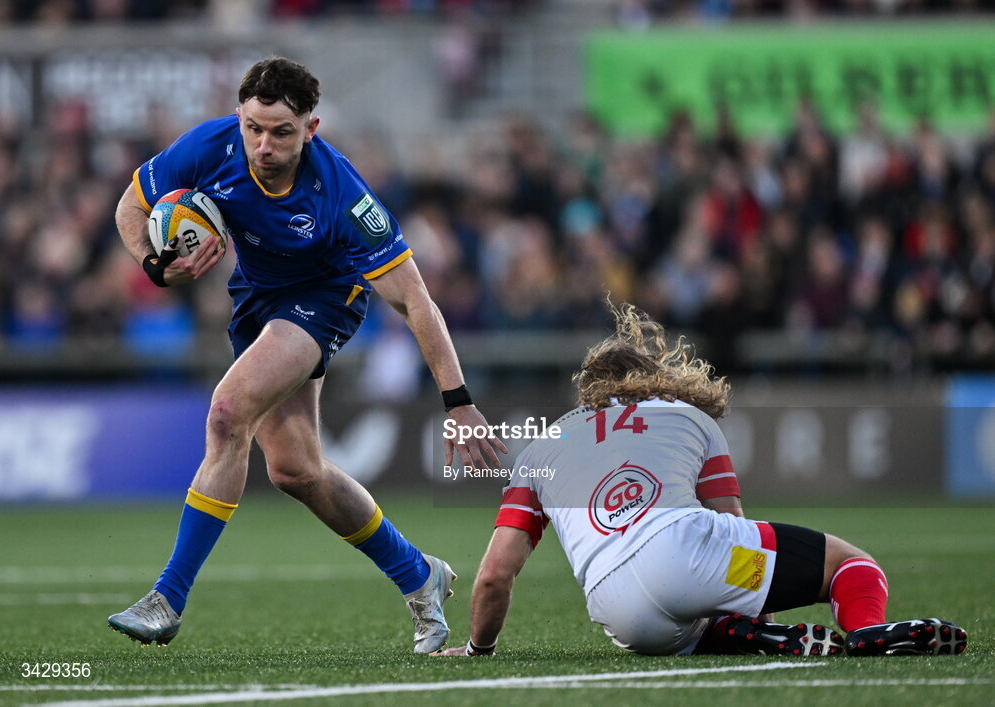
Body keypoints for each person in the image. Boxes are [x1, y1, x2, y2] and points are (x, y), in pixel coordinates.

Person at [107, 57, 506, 652]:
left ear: (311, 128)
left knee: (226, 413)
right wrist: (153, 265)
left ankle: (167, 598)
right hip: (256, 299)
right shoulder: (208, 146)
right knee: (295, 469)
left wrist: (457, 400)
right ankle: (420, 576)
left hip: (324, 298)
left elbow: (416, 299)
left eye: (281, 132)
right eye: (253, 128)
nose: (263, 145)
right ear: (239, 117)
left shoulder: (342, 194)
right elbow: (130, 208)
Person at [434, 303, 967, 658]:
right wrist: (754, 593)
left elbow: (492, 578)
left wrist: (478, 651)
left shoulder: (541, 448)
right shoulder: (685, 416)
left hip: (622, 617)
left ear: (587, 394)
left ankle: (749, 636)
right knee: (852, 564)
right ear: (652, 376)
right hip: (687, 551)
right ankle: (865, 628)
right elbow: (733, 525)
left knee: (694, 622)